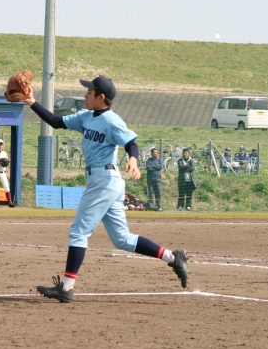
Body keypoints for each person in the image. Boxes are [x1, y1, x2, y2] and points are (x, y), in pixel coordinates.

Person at [22, 74, 189, 303]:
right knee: (122, 239)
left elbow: (131, 143)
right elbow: (56, 121)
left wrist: (133, 160)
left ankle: (66, 287)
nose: (85, 95)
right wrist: (31, 101)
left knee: (79, 232)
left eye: (90, 92)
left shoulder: (112, 121)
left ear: (101, 97)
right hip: (105, 181)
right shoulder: (85, 116)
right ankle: (173, 257)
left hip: (104, 179)